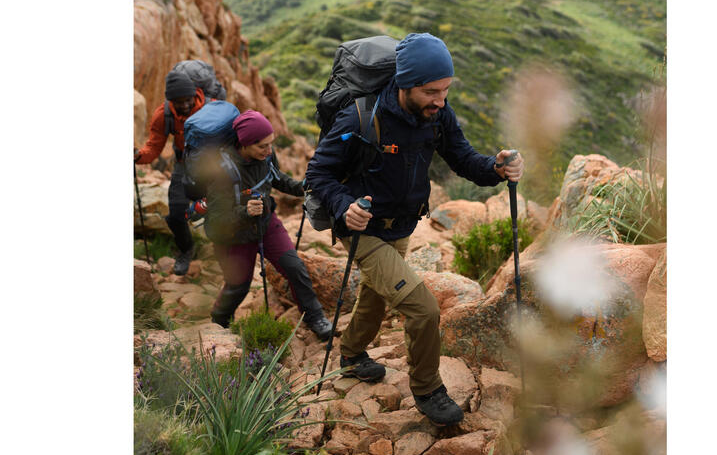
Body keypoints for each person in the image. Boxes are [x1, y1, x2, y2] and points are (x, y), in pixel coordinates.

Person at [305, 33, 523, 425]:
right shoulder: (359, 115)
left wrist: (496, 167)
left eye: (445, 90)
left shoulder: (437, 114)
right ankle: (427, 389)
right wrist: (344, 207)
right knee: (422, 309)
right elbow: (319, 173)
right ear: (404, 84)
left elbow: (463, 159)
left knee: (375, 295)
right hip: (363, 227)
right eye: (430, 91)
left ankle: (352, 354)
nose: (440, 100)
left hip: (402, 225)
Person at [204, 110, 333, 339]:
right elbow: (216, 218)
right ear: (244, 144)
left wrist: (303, 186)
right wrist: (245, 211)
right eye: (262, 146)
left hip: (266, 223)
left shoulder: (266, 158)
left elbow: (277, 178)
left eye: (271, 144)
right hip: (236, 235)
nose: (269, 150)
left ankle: (316, 318)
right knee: (239, 286)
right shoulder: (222, 170)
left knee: (295, 268)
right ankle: (219, 321)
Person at [135, 72, 205, 275]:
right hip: (183, 165)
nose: (183, 105)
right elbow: (154, 147)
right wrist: (138, 156)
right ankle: (186, 249)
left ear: (195, 95)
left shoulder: (211, 108)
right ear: (169, 100)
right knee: (175, 214)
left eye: (187, 100)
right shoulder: (163, 115)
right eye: (177, 102)